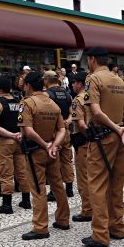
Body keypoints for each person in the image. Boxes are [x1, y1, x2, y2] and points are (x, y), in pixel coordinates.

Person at [82, 47, 124, 247]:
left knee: (96, 185)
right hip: (120, 138)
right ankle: (117, 227)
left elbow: (95, 111)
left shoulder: (93, 79)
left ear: (92, 59)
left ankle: (100, 234)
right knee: (116, 184)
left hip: (102, 138)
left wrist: (115, 127)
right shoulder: (119, 80)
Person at [18, 72, 70, 240]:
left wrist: (44, 144)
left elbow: (28, 130)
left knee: (38, 188)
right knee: (57, 185)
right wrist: (54, 145)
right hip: (52, 151)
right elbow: (62, 129)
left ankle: (40, 227)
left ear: (28, 86)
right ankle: (63, 219)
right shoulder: (53, 104)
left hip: (36, 151)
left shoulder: (27, 103)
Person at [0, 76, 31, 214]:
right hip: (20, 140)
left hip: (5, 141)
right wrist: (19, 135)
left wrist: (11, 135)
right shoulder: (19, 102)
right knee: (22, 172)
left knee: (5, 172)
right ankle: (26, 201)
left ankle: (7, 205)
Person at [44, 70, 74, 199]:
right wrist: (67, 121)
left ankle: (54, 190)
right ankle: (69, 188)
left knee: (54, 161)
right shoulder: (67, 94)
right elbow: (72, 112)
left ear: (46, 80)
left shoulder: (47, 95)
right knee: (67, 160)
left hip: (55, 132)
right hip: (66, 131)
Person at [69, 71, 93, 223]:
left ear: (79, 84)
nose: (72, 85)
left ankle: (87, 209)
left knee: (84, 178)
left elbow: (80, 123)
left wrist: (88, 137)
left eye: (74, 82)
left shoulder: (78, 100)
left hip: (83, 143)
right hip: (94, 141)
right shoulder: (93, 97)